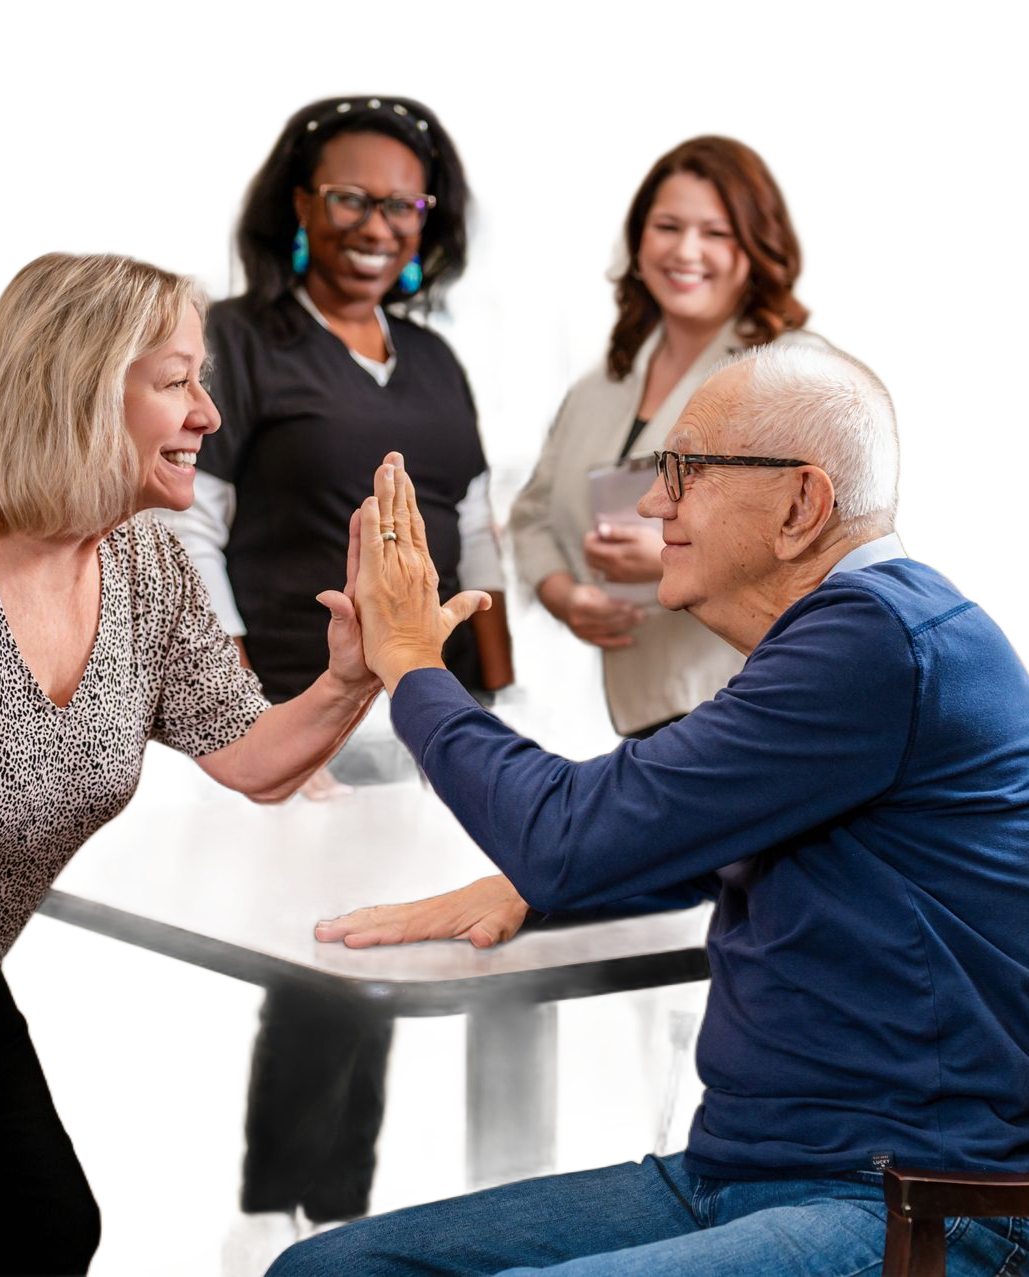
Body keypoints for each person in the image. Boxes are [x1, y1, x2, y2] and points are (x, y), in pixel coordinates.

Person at [268, 342, 1029, 1276]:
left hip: (902, 1207)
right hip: (735, 1172)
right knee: (325, 1270)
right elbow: (686, 840)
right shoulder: (850, 635)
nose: (654, 503)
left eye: (686, 471)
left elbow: (570, 832)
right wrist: (539, 886)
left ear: (801, 504)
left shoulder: (877, 641)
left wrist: (409, 664)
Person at [0, 249, 388, 1275]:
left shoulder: (140, 561)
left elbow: (254, 759)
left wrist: (355, 675)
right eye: (177, 382)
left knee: (44, 1228)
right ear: (81, 391)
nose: (207, 415)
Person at [155, 90, 516, 1274]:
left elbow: (470, 540)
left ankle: (343, 1215)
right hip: (295, 713)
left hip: (425, 717)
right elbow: (189, 532)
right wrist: (236, 705)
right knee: (313, 970)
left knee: (399, 966)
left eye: (400, 204)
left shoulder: (429, 362)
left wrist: (494, 703)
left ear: (429, 221)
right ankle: (264, 1210)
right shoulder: (242, 339)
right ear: (300, 205)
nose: (376, 222)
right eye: (349, 197)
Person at [501, 130, 829, 1141]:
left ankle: (722, 1192)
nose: (684, 250)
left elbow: (822, 546)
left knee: (715, 981)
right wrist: (557, 589)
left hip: (724, 715)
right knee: (604, 978)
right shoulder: (606, 367)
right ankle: (635, 1193)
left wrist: (674, 572)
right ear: (632, 239)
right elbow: (532, 516)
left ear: (758, 247)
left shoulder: (794, 376)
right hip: (600, 719)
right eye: (665, 226)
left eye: (714, 232)